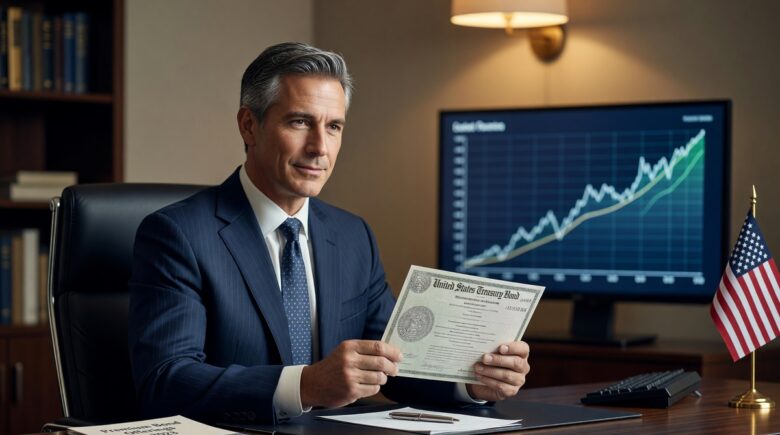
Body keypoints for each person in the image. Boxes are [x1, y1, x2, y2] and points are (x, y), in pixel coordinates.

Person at [128, 42, 530, 425]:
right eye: (300, 122)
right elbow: (165, 380)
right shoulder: (179, 235)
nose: (320, 147)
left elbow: (394, 363)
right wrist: (305, 385)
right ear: (249, 126)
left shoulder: (353, 235)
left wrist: (470, 382)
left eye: (334, 126)